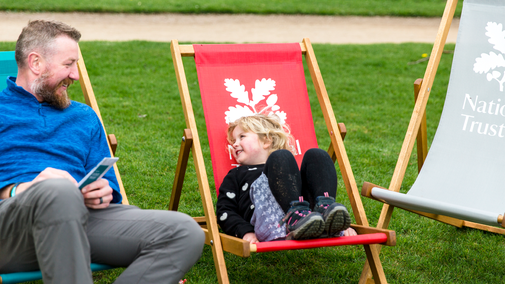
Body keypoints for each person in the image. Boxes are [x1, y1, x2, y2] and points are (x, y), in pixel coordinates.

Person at [0, 20, 204, 284]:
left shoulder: (83, 116)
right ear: (36, 63)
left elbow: (107, 185)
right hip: (13, 230)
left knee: (184, 231)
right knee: (58, 191)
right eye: (68, 64)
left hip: (82, 218)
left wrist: (102, 191)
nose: (75, 74)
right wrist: (22, 190)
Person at [216, 114, 357, 243]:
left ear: (266, 140)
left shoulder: (288, 170)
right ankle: (296, 218)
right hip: (272, 225)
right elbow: (225, 210)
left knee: (317, 155)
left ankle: (326, 218)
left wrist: (344, 227)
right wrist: (245, 232)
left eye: (242, 137)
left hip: (311, 220)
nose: (234, 144)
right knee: (281, 157)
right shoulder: (236, 174)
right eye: (233, 140)